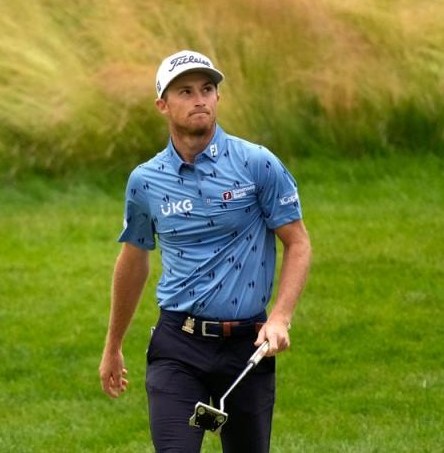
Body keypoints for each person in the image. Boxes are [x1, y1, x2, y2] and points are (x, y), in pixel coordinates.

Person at [99, 50, 312, 452]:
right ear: (162, 104)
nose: (200, 98)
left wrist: (280, 318)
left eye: (208, 89)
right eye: (185, 91)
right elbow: (134, 260)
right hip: (177, 346)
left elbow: (298, 242)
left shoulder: (257, 164)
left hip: (248, 346)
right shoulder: (145, 182)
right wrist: (113, 347)